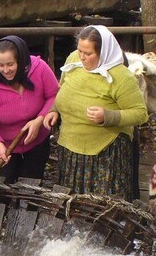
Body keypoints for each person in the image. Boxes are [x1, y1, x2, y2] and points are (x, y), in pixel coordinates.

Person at [43, 25, 148, 201]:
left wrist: (108, 116)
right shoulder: (73, 61)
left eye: (88, 53)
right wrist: (54, 110)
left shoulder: (121, 77)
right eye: (80, 51)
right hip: (71, 149)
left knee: (100, 205)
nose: (82, 57)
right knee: (72, 203)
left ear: (104, 52)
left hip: (105, 153)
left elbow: (140, 114)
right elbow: (62, 89)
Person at [0, 36, 59, 183]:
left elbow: (54, 95)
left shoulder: (39, 68)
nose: (5, 70)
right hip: (3, 145)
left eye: (10, 64)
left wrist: (39, 120)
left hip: (36, 141)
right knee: (0, 191)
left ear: (21, 60)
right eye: (0, 65)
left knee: (30, 189)